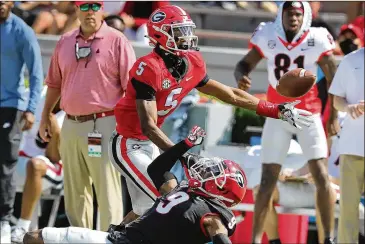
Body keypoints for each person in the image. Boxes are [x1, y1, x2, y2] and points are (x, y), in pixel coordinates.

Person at [110, 4, 313, 226]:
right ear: (160, 35)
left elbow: (231, 95)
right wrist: (183, 154)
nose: (186, 37)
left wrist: (276, 110)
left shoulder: (192, 62)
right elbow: (148, 125)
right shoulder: (148, 67)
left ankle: (112, 238)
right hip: (128, 145)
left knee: (145, 209)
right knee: (169, 201)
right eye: (178, 31)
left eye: (187, 30)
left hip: (149, 146)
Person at [24, 126, 247, 244]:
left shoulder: (214, 214)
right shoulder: (183, 190)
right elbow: (155, 170)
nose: (206, 171)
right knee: (33, 238)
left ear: (222, 189)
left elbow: (219, 234)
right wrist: (184, 146)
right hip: (117, 239)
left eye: (213, 173)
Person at [233, 2, 339, 243]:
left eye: (298, 14)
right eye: (289, 13)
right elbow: (244, 64)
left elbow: (334, 77)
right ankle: (257, 239)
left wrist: (332, 115)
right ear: (280, 14)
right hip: (277, 113)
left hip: (308, 113)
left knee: (321, 175)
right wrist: (242, 77)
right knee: (267, 178)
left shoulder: (317, 38)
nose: (293, 18)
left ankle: (328, 239)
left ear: (306, 16)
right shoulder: (267, 34)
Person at [38, 1, 136, 231]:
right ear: (76, 9)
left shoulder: (118, 40)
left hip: (105, 123)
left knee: (107, 189)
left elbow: (131, 89)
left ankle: (107, 238)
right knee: (75, 193)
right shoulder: (65, 41)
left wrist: (129, 127)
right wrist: (45, 116)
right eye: (84, 5)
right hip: (71, 123)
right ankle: (80, 239)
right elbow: (54, 83)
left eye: (95, 5)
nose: (90, 10)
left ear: (102, 9)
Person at [252, 111, 365, 243]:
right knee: (261, 191)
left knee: (324, 191)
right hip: (313, 188)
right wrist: (294, 174)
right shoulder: (333, 134)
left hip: (340, 194)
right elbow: (316, 163)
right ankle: (274, 241)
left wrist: (329, 180)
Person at [0, 1, 43, 243]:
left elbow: (36, 73)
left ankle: (4, 221)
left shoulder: (22, 31)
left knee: (4, 164)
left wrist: (31, 109)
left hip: (10, 106)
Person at [11, 86, 65, 243]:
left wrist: (55, 132)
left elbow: (54, 156)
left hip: (54, 166)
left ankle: (22, 227)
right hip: (22, 160)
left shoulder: (72, 109)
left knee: (35, 165)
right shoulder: (35, 95)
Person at [329, 47, 364, 244]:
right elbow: (337, 100)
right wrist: (349, 107)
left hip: (352, 145)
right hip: (353, 146)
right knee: (348, 210)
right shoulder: (351, 60)